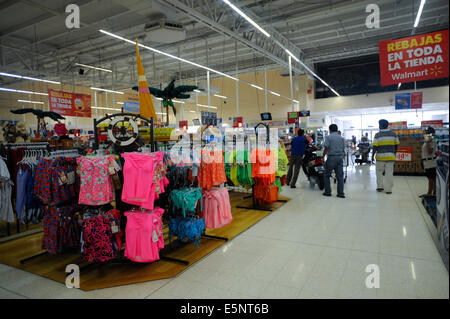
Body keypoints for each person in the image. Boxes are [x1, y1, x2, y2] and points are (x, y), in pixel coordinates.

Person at [372, 119, 400, 194]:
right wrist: (394, 153)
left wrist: (372, 156)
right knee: (389, 173)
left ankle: (380, 187)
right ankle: (388, 189)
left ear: (380, 125)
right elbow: (396, 145)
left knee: (379, 172)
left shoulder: (377, 135)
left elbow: (375, 147)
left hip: (380, 157)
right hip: (390, 157)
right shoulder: (393, 134)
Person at [323, 124, 345, 198]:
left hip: (331, 158)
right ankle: (340, 193)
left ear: (330, 130)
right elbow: (343, 149)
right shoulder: (341, 138)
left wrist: (323, 156)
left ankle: (328, 192)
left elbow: (326, 147)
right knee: (340, 176)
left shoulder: (328, 137)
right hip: (339, 158)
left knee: (326, 175)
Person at [421, 127, 437, 196]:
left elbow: (430, 152)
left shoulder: (432, 140)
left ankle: (433, 193)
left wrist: (427, 143)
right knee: (430, 178)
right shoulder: (427, 140)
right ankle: (430, 193)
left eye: (425, 131)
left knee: (432, 179)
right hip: (427, 162)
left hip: (431, 163)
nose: (423, 132)